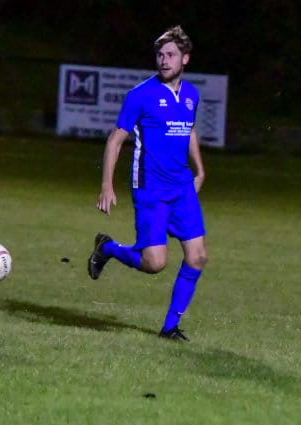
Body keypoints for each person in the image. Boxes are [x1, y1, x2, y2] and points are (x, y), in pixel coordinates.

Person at [87, 25, 208, 341]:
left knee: (197, 257)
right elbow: (115, 139)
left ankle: (169, 328)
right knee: (154, 263)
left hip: (181, 188)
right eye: (160, 55)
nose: (164, 60)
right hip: (150, 189)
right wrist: (107, 185)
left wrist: (200, 170)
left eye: (171, 54)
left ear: (185, 58)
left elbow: (189, 130)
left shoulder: (191, 95)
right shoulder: (140, 95)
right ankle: (107, 248)